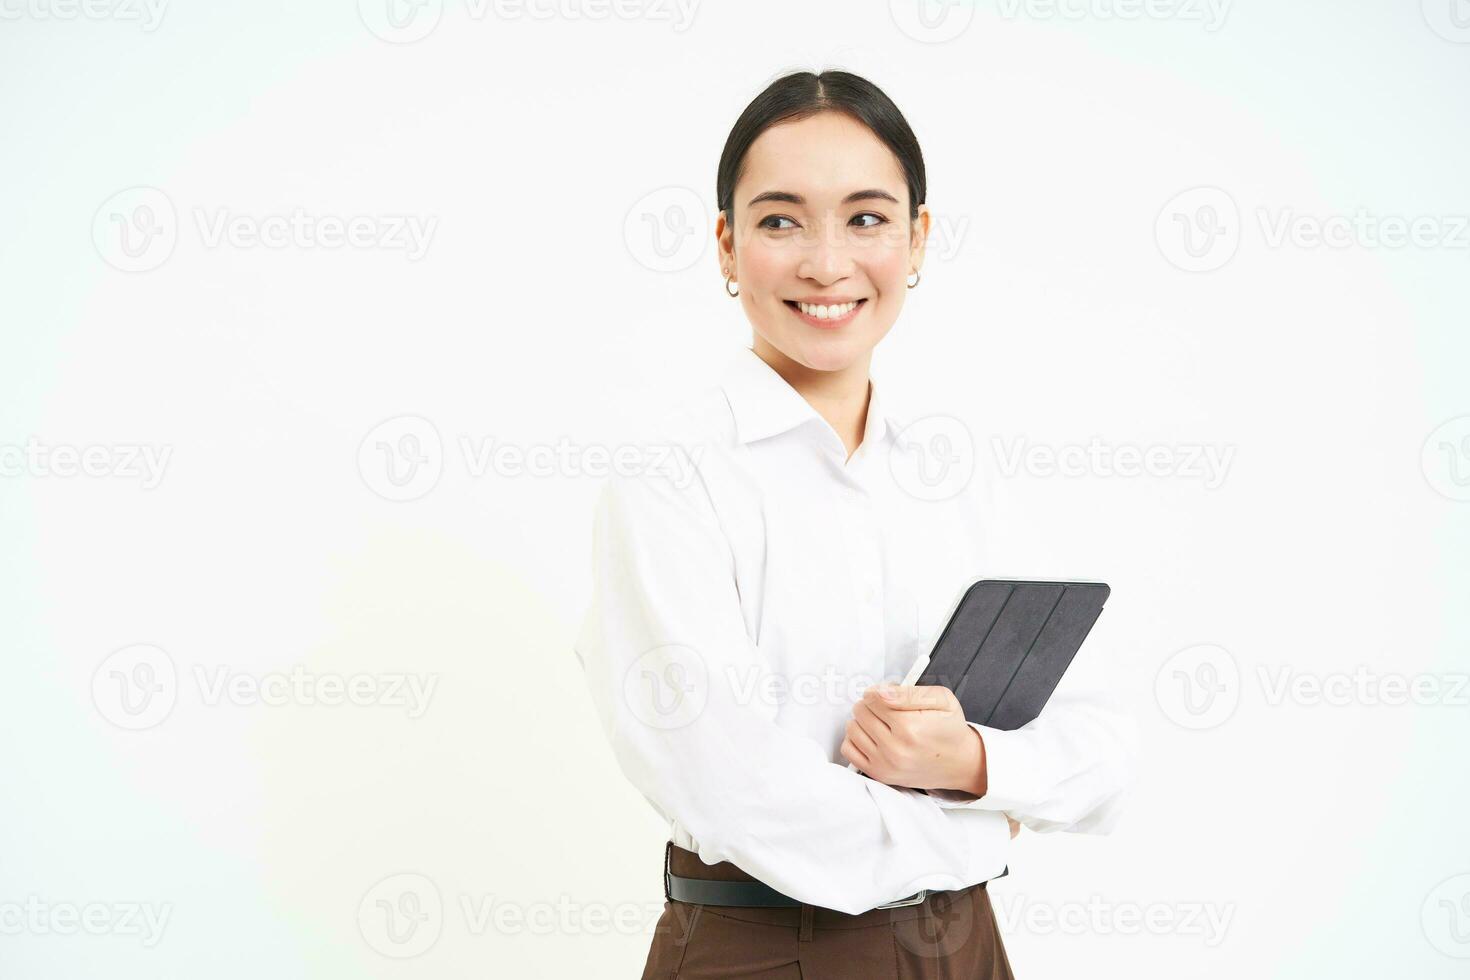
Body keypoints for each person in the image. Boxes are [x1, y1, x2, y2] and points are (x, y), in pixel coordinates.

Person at [573, 68, 1137, 979]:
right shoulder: (672, 478)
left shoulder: (952, 472)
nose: (826, 263)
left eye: (867, 219)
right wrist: (987, 810)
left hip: (968, 945)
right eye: (780, 219)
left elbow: (1103, 748)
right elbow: (732, 789)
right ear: (726, 245)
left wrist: (970, 761)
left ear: (917, 240)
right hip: (765, 948)